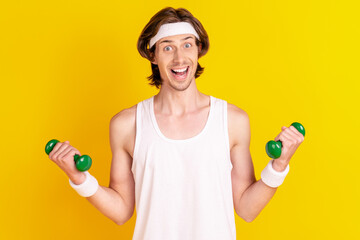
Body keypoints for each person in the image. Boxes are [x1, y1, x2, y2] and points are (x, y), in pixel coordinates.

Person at [48, 7, 305, 240]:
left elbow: (247, 209)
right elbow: (121, 211)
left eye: (187, 45)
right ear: (153, 56)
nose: (179, 58)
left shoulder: (232, 120)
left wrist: (279, 165)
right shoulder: (126, 125)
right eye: (168, 47)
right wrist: (79, 177)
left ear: (198, 50)